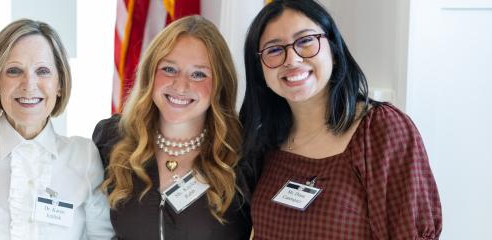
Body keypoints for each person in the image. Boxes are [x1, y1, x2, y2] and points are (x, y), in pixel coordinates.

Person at [240, 0, 442, 239]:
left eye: (305, 41)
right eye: (274, 50)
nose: (291, 59)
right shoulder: (265, 140)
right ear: (260, 68)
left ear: (334, 50)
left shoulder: (380, 131)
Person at [0, 19, 114, 240]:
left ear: (59, 84)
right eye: (13, 71)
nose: (29, 84)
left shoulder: (83, 155)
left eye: (43, 71)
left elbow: (103, 238)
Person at [92, 15, 253, 239]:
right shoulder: (111, 139)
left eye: (199, 74)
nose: (180, 85)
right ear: (150, 72)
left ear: (219, 83)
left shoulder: (244, 153)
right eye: (169, 69)